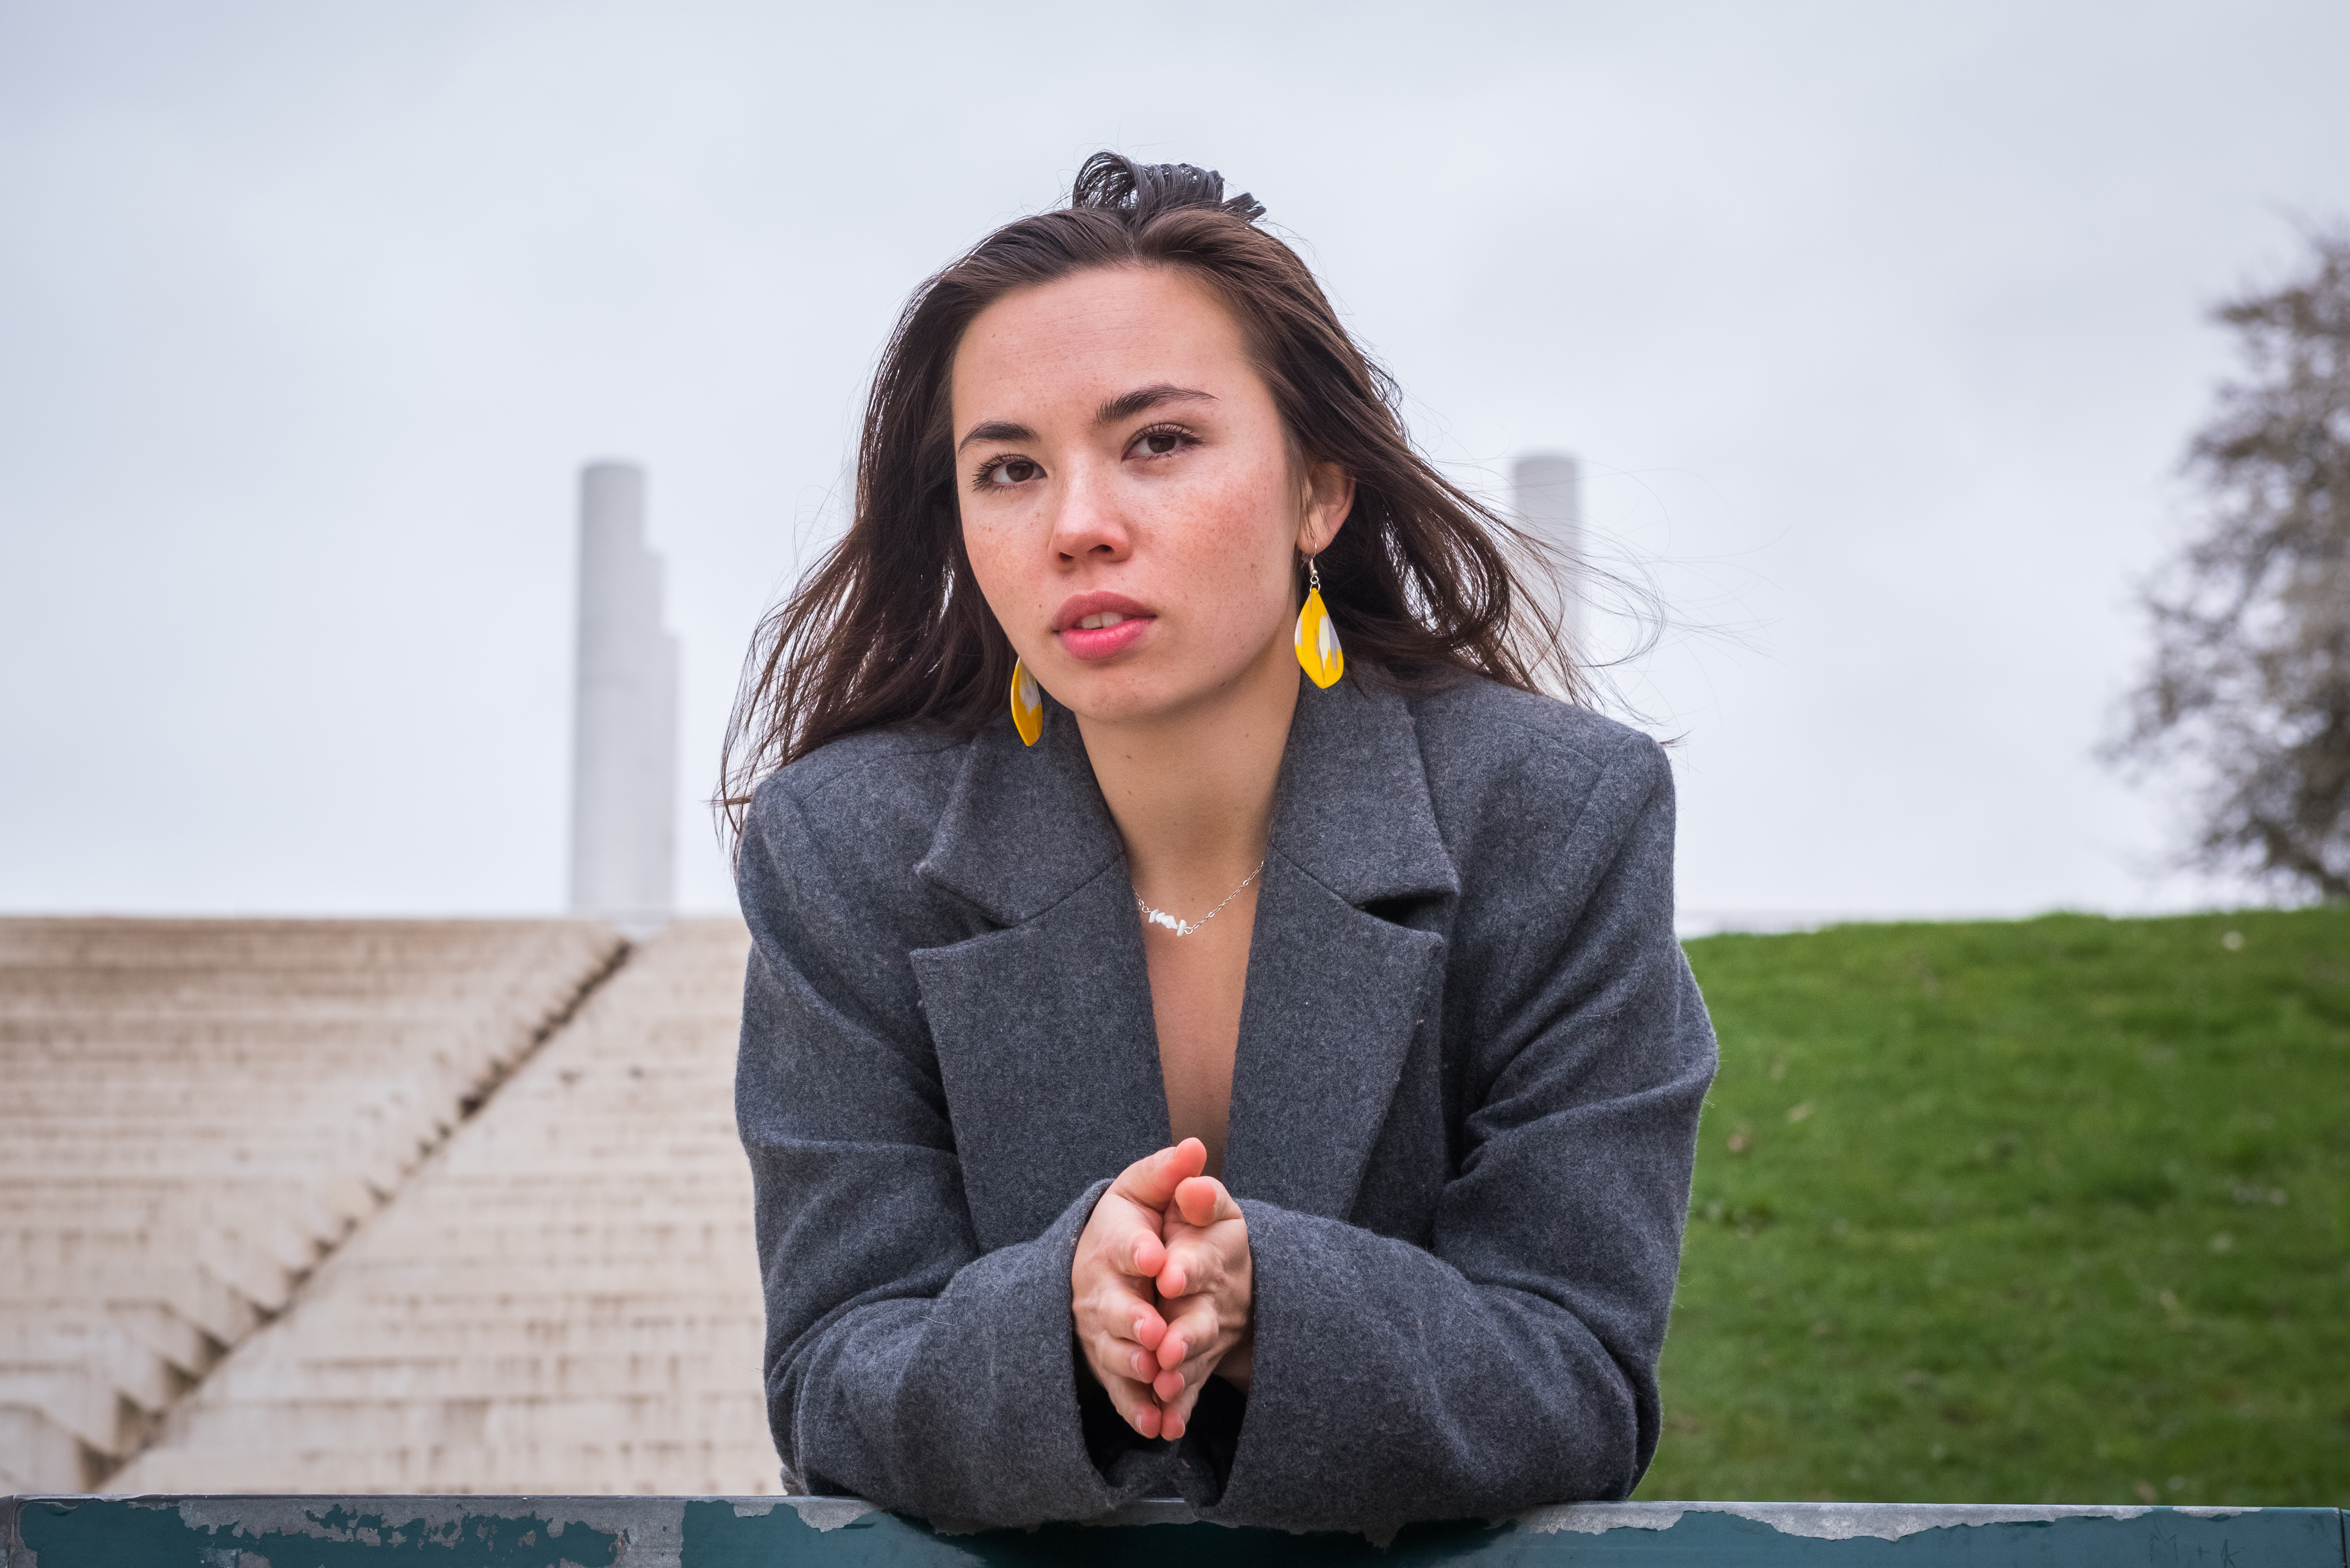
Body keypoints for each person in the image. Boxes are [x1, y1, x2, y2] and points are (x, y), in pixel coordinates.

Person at [722, 153, 1716, 1533]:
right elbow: (832, 1382)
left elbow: (1577, 1378)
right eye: (1007, 468)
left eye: (1158, 443)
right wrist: (1058, 1320)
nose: (1077, 526)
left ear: (1319, 491)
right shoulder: (847, 847)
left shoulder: (1553, 815)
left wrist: (1267, 1308)